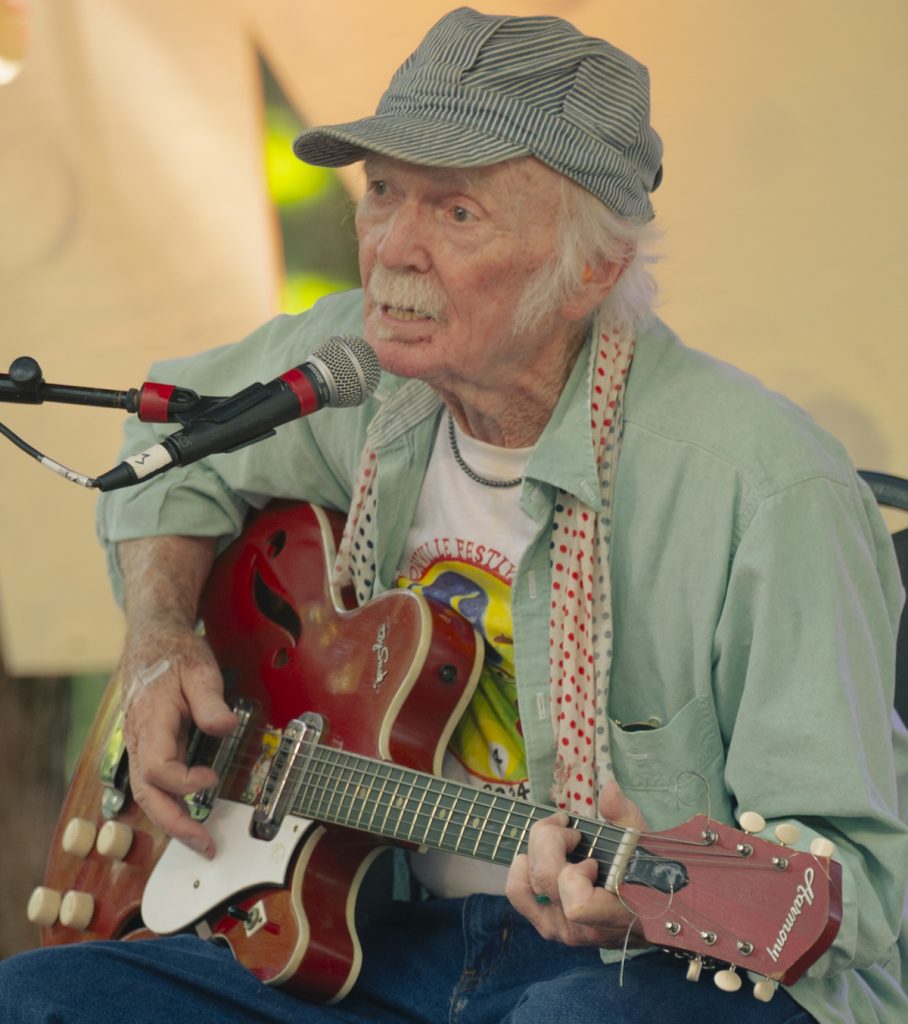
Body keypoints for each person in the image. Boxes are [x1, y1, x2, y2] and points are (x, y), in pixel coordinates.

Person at [2, 8, 906, 1024]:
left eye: (456, 212)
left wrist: (643, 910)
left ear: (592, 269)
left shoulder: (766, 486)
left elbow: (860, 885)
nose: (390, 248)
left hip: (646, 975)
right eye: (381, 191)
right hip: (384, 944)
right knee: (38, 1000)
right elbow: (166, 454)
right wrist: (163, 637)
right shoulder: (359, 373)